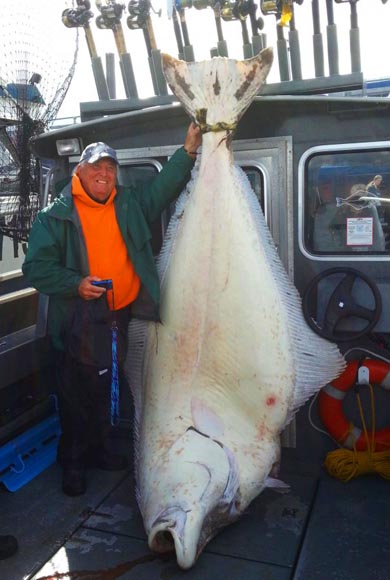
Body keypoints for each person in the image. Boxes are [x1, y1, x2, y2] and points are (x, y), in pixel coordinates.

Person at [22, 122, 202, 497]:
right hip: (76, 320)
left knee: (107, 388)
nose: (104, 174)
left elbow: (163, 188)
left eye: (109, 168)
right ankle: (72, 463)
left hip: (116, 318)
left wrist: (187, 151)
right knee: (75, 394)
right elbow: (36, 268)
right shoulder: (54, 216)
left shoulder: (130, 203)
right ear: (80, 173)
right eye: (96, 168)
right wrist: (76, 284)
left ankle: (101, 449)